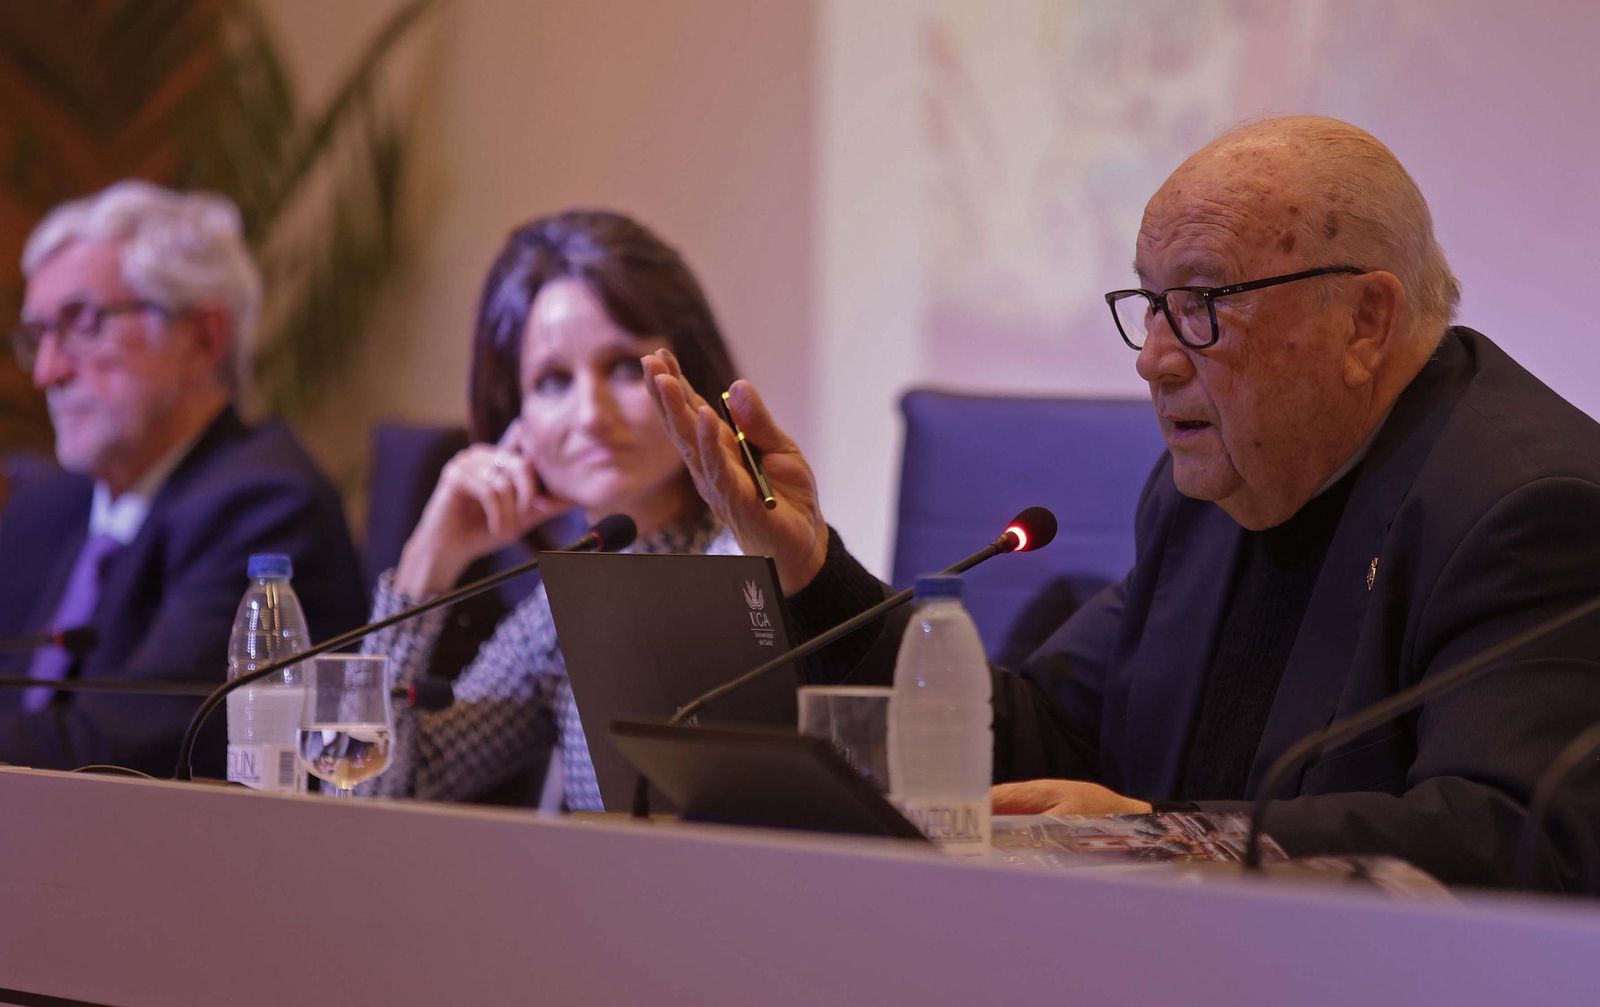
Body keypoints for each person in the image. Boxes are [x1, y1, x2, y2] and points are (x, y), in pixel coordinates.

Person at [644, 116, 1600, 892]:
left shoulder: (1528, 509)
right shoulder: (1208, 497)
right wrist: (812, 566)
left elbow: (1512, 835)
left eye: (1202, 303)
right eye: (1149, 304)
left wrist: (1161, 835)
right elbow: (1042, 739)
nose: (1154, 358)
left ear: (1365, 320)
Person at [363, 209, 743, 809]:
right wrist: (426, 564)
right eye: (553, 381)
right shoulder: (569, 607)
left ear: (691, 375)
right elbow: (377, 790)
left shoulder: (750, 566)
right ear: (516, 421)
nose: (591, 415)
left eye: (624, 367)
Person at [0, 180, 366, 779]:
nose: (47, 372)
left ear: (202, 338)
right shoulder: (50, 505)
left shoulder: (263, 506)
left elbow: (125, 750)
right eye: (38, 335)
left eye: (82, 323)